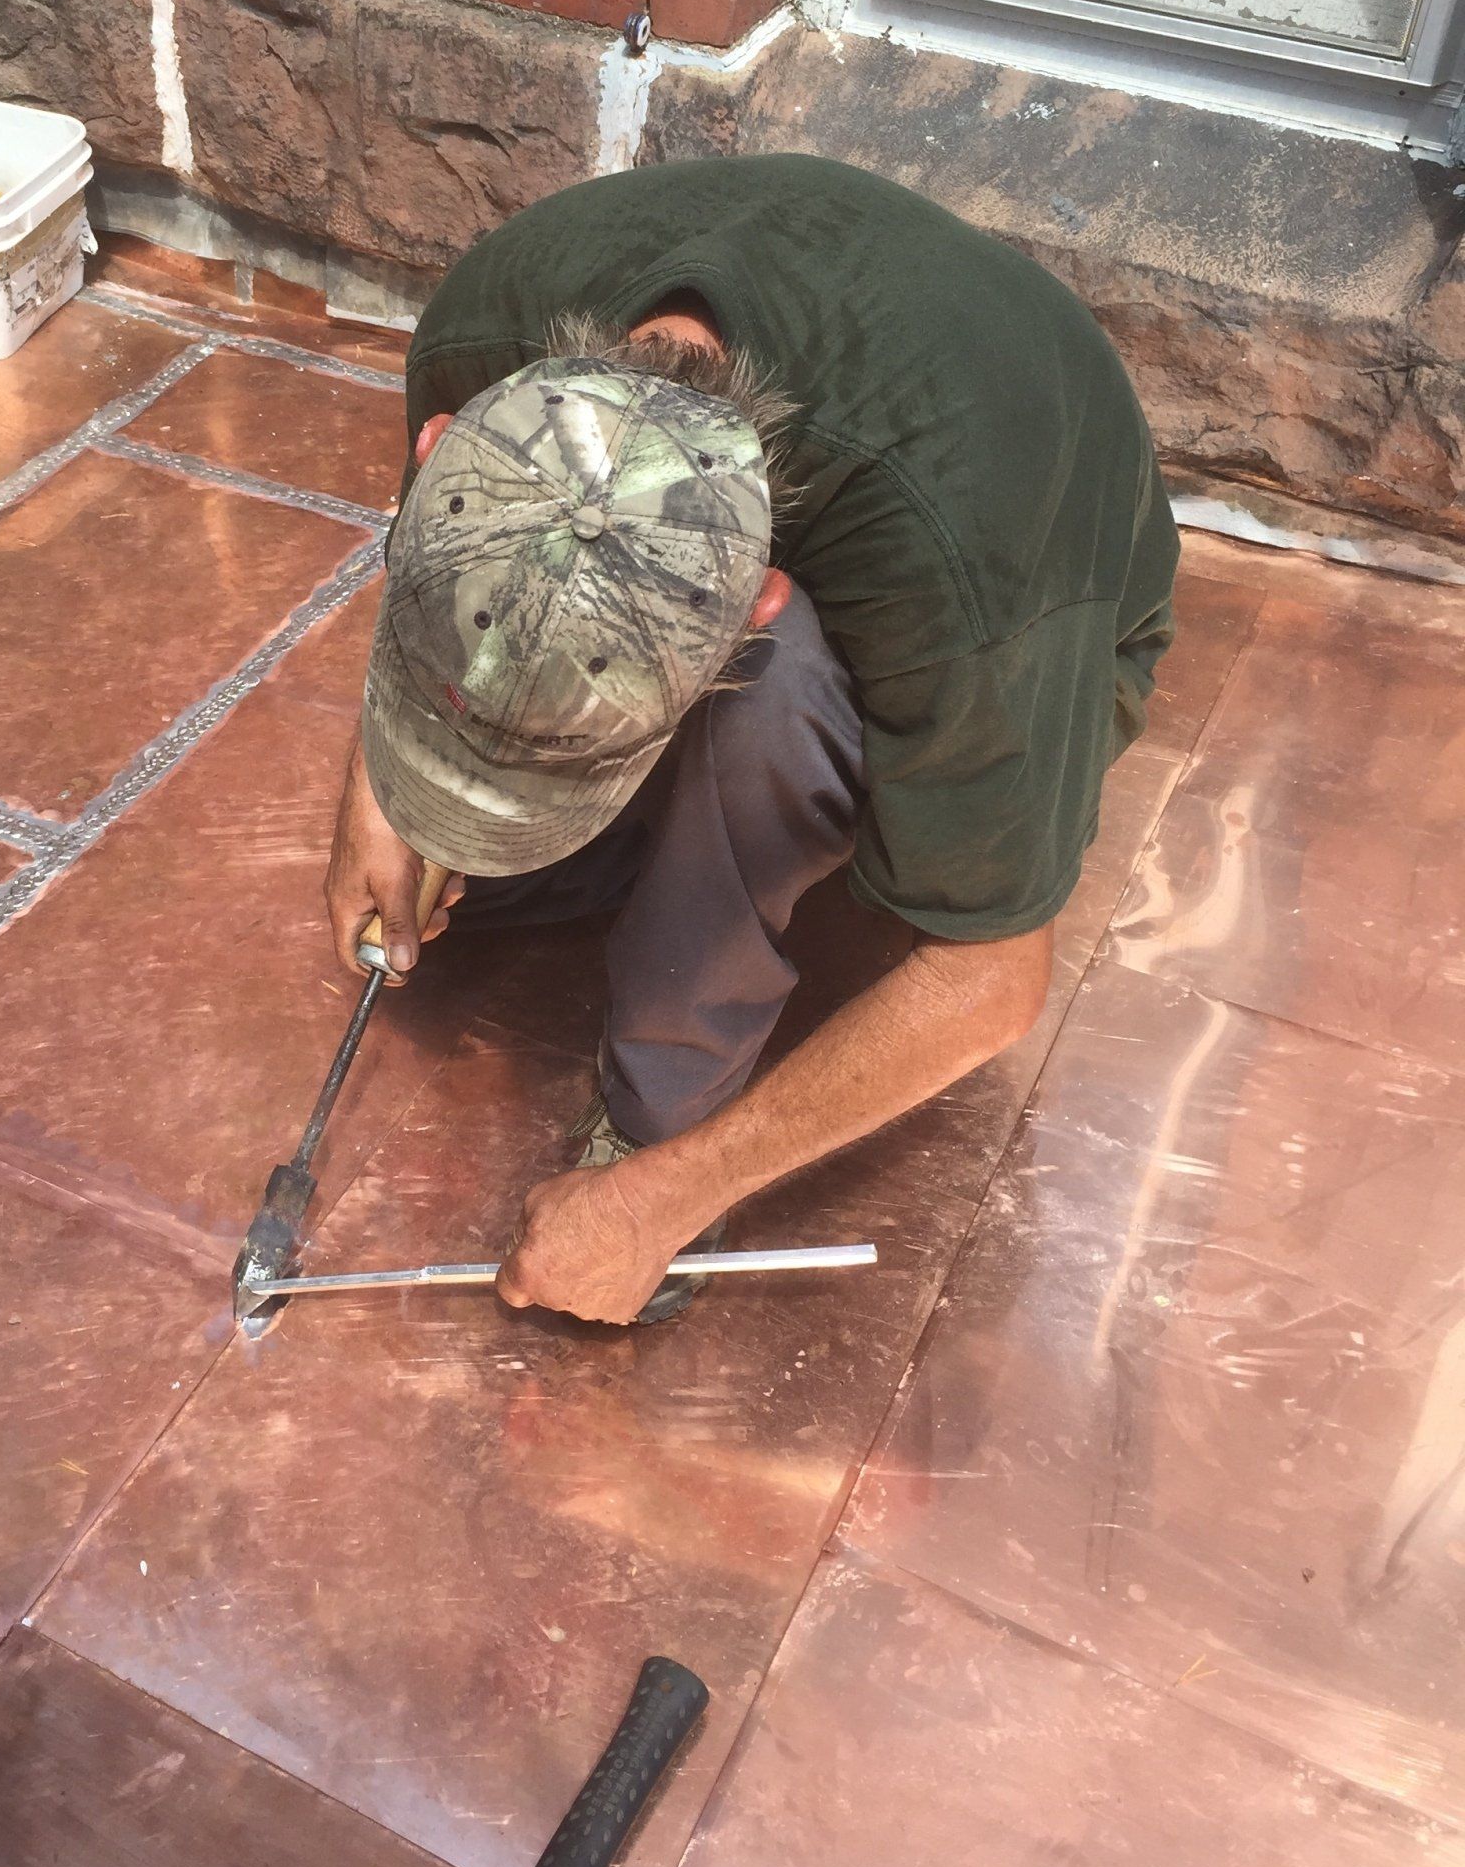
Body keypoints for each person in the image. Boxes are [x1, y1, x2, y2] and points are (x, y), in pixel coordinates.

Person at [324, 154, 1178, 1327]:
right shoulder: (485, 341)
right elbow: (436, 569)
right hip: (890, 464)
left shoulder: (969, 578)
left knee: (772, 710)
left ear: (756, 597)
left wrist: (662, 1195)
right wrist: (382, 790)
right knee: (506, 835)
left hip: (1033, 593)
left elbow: (990, 979)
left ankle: (663, 1096)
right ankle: (611, 830)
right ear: (443, 445)